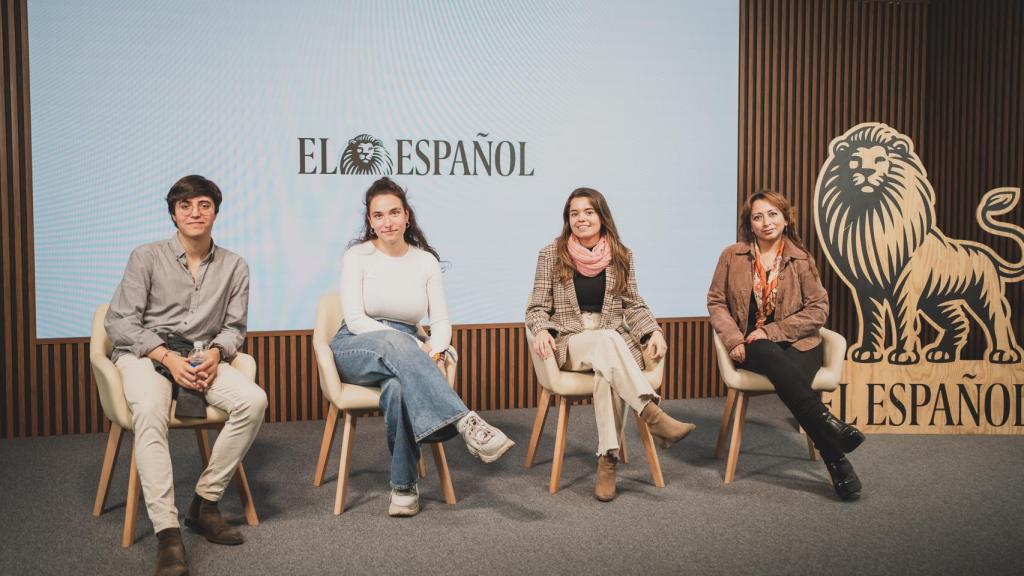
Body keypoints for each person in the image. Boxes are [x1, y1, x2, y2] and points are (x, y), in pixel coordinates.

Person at [105, 175, 267, 576]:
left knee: (254, 401)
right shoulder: (146, 257)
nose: (195, 213)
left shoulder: (235, 265)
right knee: (150, 410)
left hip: (199, 357)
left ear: (216, 212)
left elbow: (234, 329)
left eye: (204, 205)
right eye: (185, 206)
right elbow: (120, 322)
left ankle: (204, 504)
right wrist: (165, 357)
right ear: (173, 214)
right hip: (146, 354)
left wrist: (215, 352)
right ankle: (168, 533)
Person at [330, 176, 515, 518]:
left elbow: (441, 322)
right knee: (393, 340)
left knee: (398, 389)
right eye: (378, 215)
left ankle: (403, 486)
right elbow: (355, 320)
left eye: (394, 212)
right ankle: (465, 421)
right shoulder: (357, 256)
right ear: (370, 221)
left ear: (407, 216)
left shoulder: (425, 261)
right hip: (356, 345)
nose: (387, 221)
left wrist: (437, 349)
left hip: (406, 351)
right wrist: (416, 346)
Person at [526, 187, 696, 502]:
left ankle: (607, 461)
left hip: (611, 343)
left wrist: (653, 332)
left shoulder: (621, 255)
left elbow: (634, 304)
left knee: (608, 371)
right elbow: (536, 307)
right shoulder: (551, 254)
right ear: (567, 219)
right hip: (572, 340)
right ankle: (652, 414)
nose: (581, 218)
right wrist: (541, 330)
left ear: (602, 216)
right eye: (574, 213)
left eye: (588, 212)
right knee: (607, 341)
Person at [707, 189, 866, 500]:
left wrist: (775, 330)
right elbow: (716, 302)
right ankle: (834, 450)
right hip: (752, 345)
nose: (766, 222)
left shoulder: (801, 259)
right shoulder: (731, 256)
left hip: (799, 343)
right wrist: (734, 339)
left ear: (785, 219)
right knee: (767, 351)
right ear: (749, 224)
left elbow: (818, 309)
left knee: (789, 376)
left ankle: (830, 441)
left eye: (772, 214)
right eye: (757, 217)